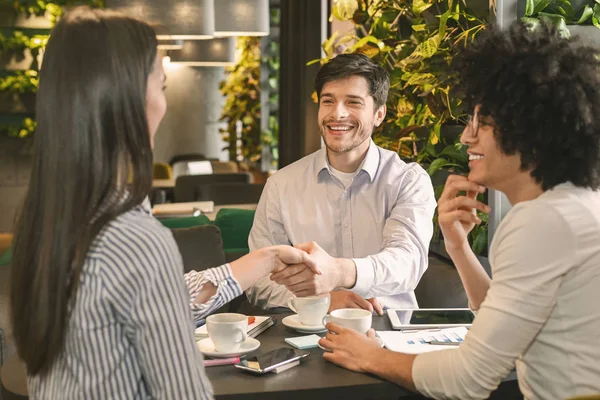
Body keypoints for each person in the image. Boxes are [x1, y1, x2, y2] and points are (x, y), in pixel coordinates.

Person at [9, 7, 316, 399]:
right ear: (128, 102)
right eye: (162, 86)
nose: (164, 104)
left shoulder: (48, 220)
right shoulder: (135, 238)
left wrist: (267, 260)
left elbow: (158, 297)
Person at [317, 22, 600, 399]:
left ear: (528, 129)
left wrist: (373, 355)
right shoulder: (568, 204)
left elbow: (467, 379)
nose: (466, 136)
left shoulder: (544, 221)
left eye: (480, 123)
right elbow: (499, 317)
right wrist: (457, 246)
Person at [247, 53, 437, 314]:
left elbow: (407, 263)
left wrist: (339, 273)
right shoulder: (281, 185)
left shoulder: (408, 181)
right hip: (308, 333)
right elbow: (258, 281)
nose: (338, 113)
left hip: (389, 333)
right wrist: (322, 301)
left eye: (353, 102)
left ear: (379, 114)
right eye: (328, 101)